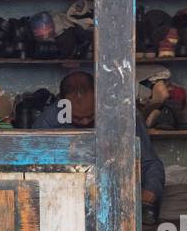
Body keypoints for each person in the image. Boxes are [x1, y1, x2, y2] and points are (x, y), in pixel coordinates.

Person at [31, 71, 165, 209]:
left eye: (90, 116)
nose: (84, 122)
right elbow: (34, 170)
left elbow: (149, 162)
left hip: (115, 195)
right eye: (77, 118)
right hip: (65, 198)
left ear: (99, 99)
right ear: (62, 103)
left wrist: (151, 192)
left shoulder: (123, 116)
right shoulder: (47, 122)